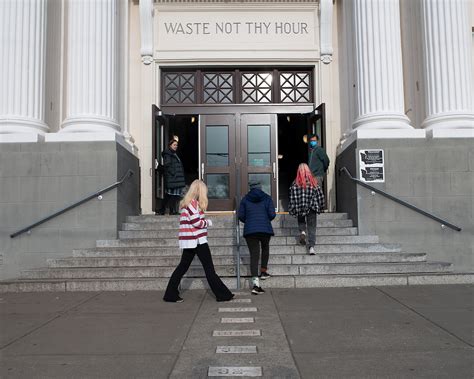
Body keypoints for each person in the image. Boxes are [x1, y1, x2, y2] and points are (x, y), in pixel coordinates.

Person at [163, 180, 234, 303]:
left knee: (182, 268)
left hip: (190, 241)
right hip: (197, 240)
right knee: (209, 269)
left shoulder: (186, 204)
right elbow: (197, 222)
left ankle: (170, 294)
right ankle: (222, 294)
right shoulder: (193, 204)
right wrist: (208, 223)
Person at [238, 180, 276, 295]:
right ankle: (263, 271)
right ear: (260, 187)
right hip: (265, 229)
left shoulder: (245, 199)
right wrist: (265, 220)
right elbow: (272, 214)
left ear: (250, 188)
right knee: (265, 248)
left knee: (254, 255)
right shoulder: (267, 198)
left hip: (250, 231)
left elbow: (241, 216)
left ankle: (256, 285)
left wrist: (249, 221)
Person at [288, 163, 325, 255]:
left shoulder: (294, 184)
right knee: (312, 227)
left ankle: (303, 232)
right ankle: (311, 247)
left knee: (301, 221)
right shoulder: (313, 183)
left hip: (300, 207)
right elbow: (320, 196)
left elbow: (292, 198)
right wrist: (321, 207)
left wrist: (292, 209)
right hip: (312, 207)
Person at [158, 139, 185, 215]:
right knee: (171, 195)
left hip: (175, 179)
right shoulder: (168, 154)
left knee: (172, 195)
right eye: (174, 145)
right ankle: (169, 210)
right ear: (170, 145)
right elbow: (167, 166)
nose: (176, 146)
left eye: (176, 145)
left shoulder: (173, 154)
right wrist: (174, 174)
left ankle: (165, 210)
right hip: (173, 178)